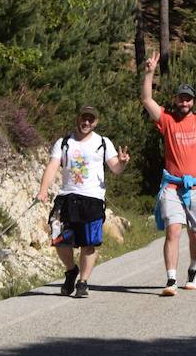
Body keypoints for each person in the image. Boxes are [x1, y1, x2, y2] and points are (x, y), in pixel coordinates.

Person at [140, 51, 196, 296]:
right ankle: (170, 279)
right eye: (181, 99)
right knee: (173, 229)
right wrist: (149, 73)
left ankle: (193, 268)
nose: (184, 103)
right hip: (172, 186)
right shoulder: (167, 120)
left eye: (188, 99)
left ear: (193, 102)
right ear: (175, 99)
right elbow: (147, 100)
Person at [35, 104, 129, 299]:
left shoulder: (103, 142)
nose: (86, 122)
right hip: (67, 196)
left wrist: (122, 162)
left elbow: (115, 169)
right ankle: (71, 270)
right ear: (77, 118)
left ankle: (83, 282)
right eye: (83, 118)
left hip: (93, 198)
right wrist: (43, 190)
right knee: (59, 239)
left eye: (90, 119)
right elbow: (53, 166)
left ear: (96, 122)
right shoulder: (64, 142)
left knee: (89, 243)